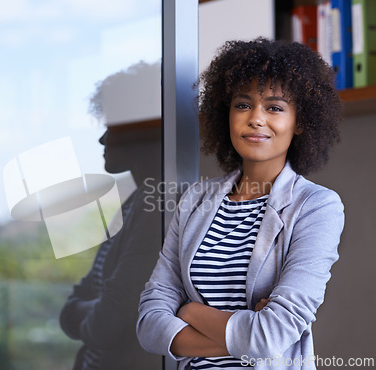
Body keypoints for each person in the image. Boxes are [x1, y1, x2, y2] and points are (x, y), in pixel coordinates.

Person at [136, 38, 345, 369]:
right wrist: (244, 331)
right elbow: (149, 325)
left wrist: (188, 311)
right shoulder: (195, 200)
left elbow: (270, 338)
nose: (256, 119)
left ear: (300, 121)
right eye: (243, 105)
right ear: (227, 113)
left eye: (275, 107)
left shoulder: (316, 206)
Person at [60, 62, 162, 370]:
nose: (103, 140)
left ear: (143, 130)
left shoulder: (158, 207)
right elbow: (79, 300)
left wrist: (85, 314)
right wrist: (90, 311)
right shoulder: (135, 201)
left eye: (113, 127)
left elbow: (111, 320)